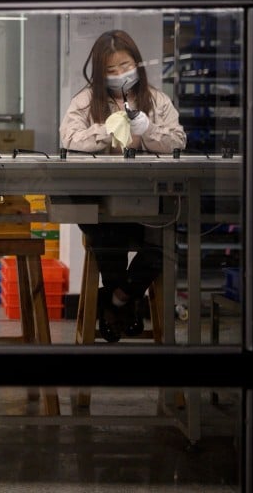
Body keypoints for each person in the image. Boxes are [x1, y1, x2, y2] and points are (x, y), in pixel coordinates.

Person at [59, 29, 187, 343]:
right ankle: (123, 305)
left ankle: (116, 301)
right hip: (105, 204)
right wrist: (105, 130)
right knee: (108, 240)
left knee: (164, 249)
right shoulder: (86, 100)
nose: (120, 75)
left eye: (125, 67)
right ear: (100, 73)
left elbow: (178, 141)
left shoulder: (156, 100)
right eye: (111, 71)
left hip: (149, 203)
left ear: (137, 65)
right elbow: (70, 140)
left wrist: (150, 130)